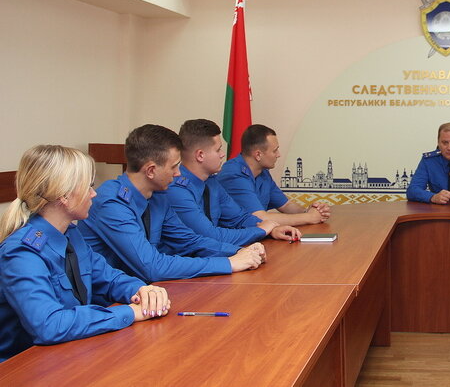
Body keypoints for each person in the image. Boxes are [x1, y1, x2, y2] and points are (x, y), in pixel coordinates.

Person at [0, 145, 170, 362]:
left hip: (71, 353)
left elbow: (109, 278)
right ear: (64, 195)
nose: (94, 193)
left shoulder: (71, 234)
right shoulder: (22, 252)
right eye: (88, 186)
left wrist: (142, 290)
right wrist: (130, 313)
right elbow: (49, 326)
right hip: (24, 368)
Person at [78, 125, 265, 282]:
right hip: (109, 300)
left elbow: (188, 241)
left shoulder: (158, 196)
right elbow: (151, 266)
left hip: (146, 291)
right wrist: (229, 263)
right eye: (174, 167)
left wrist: (240, 251)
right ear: (151, 170)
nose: (178, 174)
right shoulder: (112, 203)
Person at [168, 119, 301, 246]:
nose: (222, 155)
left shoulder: (211, 182)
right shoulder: (176, 189)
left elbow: (240, 218)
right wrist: (261, 230)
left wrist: (273, 229)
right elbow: (210, 235)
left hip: (211, 255)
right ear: (200, 155)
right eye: (218, 150)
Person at [217, 124, 331, 226]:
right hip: (235, 244)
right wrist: (309, 217)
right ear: (258, 154)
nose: (278, 155)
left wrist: (310, 211)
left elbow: (285, 205)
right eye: (275, 151)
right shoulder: (233, 174)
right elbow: (260, 218)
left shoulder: (263, 172)